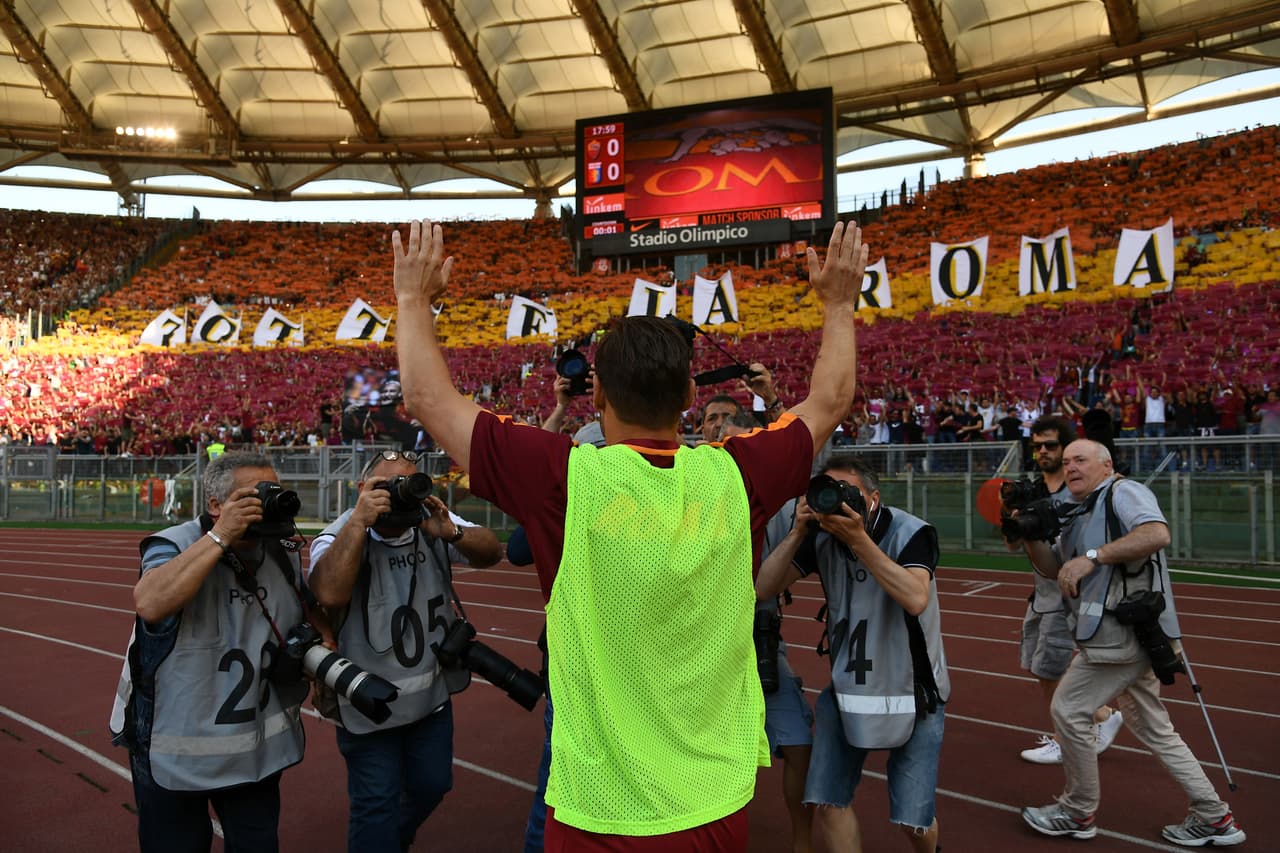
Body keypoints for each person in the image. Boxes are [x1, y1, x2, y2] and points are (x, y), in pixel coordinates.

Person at [389, 218, 866, 849]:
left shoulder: (564, 475)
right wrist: (838, 303)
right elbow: (830, 400)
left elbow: (425, 397)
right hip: (713, 796)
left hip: (600, 803)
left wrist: (412, 299)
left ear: (599, 397)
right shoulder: (734, 475)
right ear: (692, 393)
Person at [1018, 439, 1245, 847]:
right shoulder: (1075, 507)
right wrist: (1028, 534)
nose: (1070, 467)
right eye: (1066, 462)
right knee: (1155, 728)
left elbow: (1157, 534)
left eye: (1080, 460)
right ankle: (1215, 816)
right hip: (1116, 636)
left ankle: (1077, 810)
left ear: (1105, 466)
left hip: (1122, 636)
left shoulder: (1124, 491)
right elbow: (1055, 571)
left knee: (1068, 709)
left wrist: (1093, 555)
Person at [109, 451, 313, 853]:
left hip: (255, 747)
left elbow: (308, 609)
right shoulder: (174, 542)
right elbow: (149, 602)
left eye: (273, 491)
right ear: (216, 505)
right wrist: (221, 536)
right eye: (252, 496)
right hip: (174, 747)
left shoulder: (281, 550)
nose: (266, 501)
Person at [307, 449, 502, 853]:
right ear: (362, 489)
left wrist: (452, 532)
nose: (400, 495)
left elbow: (491, 552)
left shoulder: (427, 523)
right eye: (387, 485)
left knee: (433, 785)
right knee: (375, 803)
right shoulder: (339, 534)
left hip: (430, 699)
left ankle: (390, 840)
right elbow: (328, 591)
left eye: (408, 483)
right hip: (368, 703)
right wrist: (360, 521)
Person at [757, 457, 947, 853]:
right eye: (827, 490)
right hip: (848, 685)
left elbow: (915, 597)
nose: (837, 500)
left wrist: (860, 540)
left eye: (848, 491)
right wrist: (797, 533)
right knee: (827, 801)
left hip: (914, 689)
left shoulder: (911, 532)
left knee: (914, 821)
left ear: (873, 499)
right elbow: (764, 588)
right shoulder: (821, 535)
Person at [721, 412, 815, 853]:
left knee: (798, 742)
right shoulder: (684, 490)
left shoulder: (777, 500)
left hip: (759, 637)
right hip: (705, 642)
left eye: (729, 421)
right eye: (710, 420)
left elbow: (811, 448)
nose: (719, 428)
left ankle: (801, 841)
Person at [1007, 416, 1123, 765]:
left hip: (1070, 591)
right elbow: (1015, 546)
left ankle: (1071, 737)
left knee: (1049, 667)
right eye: (1037, 445)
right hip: (1042, 590)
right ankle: (1102, 716)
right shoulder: (1033, 491)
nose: (1043, 451)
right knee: (1038, 665)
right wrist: (1013, 519)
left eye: (1051, 445)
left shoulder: (1079, 487)